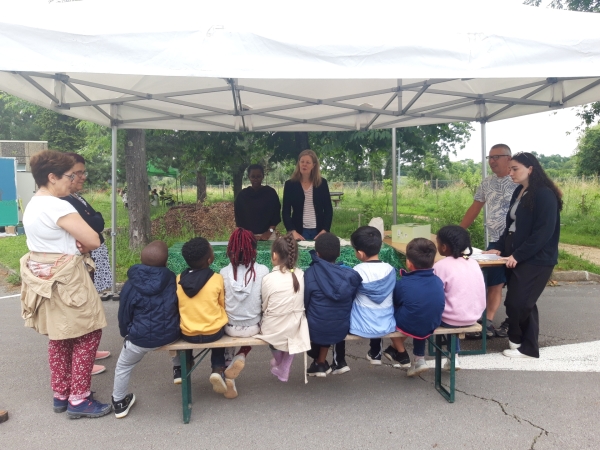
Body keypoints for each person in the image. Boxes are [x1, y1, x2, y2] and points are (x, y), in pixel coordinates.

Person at [20, 150, 111, 419]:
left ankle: (61, 394)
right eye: (69, 176)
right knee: (88, 332)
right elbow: (93, 240)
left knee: (60, 336)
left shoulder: (33, 203)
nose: (73, 181)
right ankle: (79, 399)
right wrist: (81, 241)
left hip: (42, 275)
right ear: (52, 177)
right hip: (67, 277)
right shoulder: (58, 205)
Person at [488, 152, 562, 359]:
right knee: (523, 301)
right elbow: (511, 226)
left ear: (530, 169)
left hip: (536, 259)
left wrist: (518, 255)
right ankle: (522, 343)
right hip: (516, 255)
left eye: (515, 169)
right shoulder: (520, 191)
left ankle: (523, 343)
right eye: (510, 169)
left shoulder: (544, 194)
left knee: (519, 302)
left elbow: (543, 232)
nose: (510, 173)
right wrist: (500, 248)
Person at [111, 241, 180, 418]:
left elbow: (124, 313)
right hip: (170, 335)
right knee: (180, 340)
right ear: (166, 262)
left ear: (140, 260)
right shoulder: (172, 279)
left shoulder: (131, 284)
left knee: (123, 366)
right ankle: (179, 368)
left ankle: (119, 403)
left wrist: (125, 333)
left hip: (138, 339)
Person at [60, 153, 114, 376]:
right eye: (79, 172)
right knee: (80, 310)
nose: (83, 177)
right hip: (77, 261)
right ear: (65, 175)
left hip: (89, 257)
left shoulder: (76, 197)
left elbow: (97, 220)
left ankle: (88, 353)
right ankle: (81, 361)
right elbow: (93, 222)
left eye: (83, 172)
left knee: (90, 304)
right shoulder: (63, 201)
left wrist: (94, 222)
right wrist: (94, 222)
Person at [459, 144, 518, 339]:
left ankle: (513, 321)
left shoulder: (519, 181)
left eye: (497, 157)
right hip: (495, 242)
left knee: (517, 285)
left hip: (518, 241)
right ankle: (488, 322)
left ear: (509, 158)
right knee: (494, 280)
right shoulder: (487, 183)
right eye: (489, 157)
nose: (492, 161)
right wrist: (458, 233)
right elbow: (475, 207)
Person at [173, 237, 233, 398]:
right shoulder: (217, 279)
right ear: (209, 259)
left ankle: (184, 364)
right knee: (217, 325)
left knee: (188, 322)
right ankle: (218, 368)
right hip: (213, 333)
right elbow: (222, 304)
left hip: (188, 334)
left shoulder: (179, 279)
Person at [382, 238, 445, 377]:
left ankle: (400, 351)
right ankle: (411, 356)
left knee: (388, 313)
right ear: (433, 262)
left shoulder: (403, 284)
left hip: (412, 323)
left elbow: (395, 302)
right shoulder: (438, 280)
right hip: (433, 322)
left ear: (409, 263)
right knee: (419, 311)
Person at [304, 232, 362, 377]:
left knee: (318, 319)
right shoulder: (349, 275)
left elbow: (304, 303)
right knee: (329, 317)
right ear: (339, 253)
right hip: (341, 328)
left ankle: (319, 363)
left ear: (317, 253)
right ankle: (320, 363)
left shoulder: (310, 273)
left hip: (315, 329)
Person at [218, 228, 270, 391]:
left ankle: (227, 366)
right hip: (254, 327)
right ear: (253, 250)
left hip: (230, 328)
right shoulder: (263, 271)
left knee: (228, 321)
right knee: (259, 318)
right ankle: (242, 354)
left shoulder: (224, 272)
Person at [257, 233, 311, 382]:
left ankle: (282, 362)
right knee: (291, 332)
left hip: (274, 328)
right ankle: (284, 364)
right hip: (296, 327)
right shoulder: (301, 275)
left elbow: (265, 306)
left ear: (274, 255)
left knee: (272, 332)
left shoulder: (268, 278)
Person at [433, 225, 487, 369]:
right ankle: (454, 356)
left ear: (443, 247)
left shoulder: (440, 265)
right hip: (474, 316)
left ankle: (418, 357)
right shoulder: (474, 263)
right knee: (456, 305)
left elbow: (435, 295)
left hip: (451, 319)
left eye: (437, 242)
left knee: (437, 309)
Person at [348, 226, 397, 365]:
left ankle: (339, 361)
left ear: (361, 254)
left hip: (360, 326)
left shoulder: (357, 271)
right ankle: (376, 352)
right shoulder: (390, 270)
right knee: (379, 307)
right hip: (386, 324)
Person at [282, 149, 333, 241]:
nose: (304, 164)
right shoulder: (290, 184)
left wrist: (325, 230)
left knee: (318, 255)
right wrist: (292, 231)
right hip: (299, 232)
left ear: (313, 165)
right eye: (302, 161)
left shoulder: (322, 183)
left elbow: (328, 209)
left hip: (319, 231)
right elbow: (286, 211)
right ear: (298, 163)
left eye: (308, 162)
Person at [234, 164, 281, 240]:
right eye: (253, 176)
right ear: (249, 177)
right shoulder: (242, 196)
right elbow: (239, 219)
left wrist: (269, 233)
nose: (256, 179)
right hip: (247, 236)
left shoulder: (270, 193)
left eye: (258, 176)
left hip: (269, 235)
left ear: (263, 176)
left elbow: (276, 217)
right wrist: (247, 235)